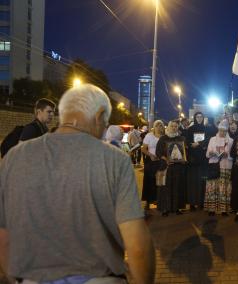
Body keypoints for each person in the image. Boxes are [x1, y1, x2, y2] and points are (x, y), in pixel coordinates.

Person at [0, 84, 155, 283]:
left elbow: (4, 236)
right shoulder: (114, 160)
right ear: (99, 116)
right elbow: (138, 247)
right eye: (105, 123)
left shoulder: (14, 156)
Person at [156, 120, 187, 216]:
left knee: (177, 187)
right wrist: (166, 159)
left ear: (178, 127)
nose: (174, 128)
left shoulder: (181, 138)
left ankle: (176, 208)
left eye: (176, 126)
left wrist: (184, 158)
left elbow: (184, 152)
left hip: (178, 167)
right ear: (168, 127)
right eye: (172, 126)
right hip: (166, 167)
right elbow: (158, 152)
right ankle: (165, 209)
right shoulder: (163, 138)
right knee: (166, 187)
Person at [204, 120, 234, 216]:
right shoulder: (212, 139)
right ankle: (212, 209)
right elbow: (207, 154)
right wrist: (211, 153)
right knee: (213, 187)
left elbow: (233, 155)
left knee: (224, 188)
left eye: (224, 131)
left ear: (227, 131)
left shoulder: (231, 141)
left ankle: (224, 210)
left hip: (226, 167)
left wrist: (227, 155)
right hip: (214, 166)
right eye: (221, 130)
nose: (222, 132)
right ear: (218, 130)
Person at [186, 112, 211, 210]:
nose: (199, 118)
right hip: (193, 160)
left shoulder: (206, 129)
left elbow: (209, 140)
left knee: (203, 181)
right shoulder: (190, 129)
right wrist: (192, 145)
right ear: (195, 118)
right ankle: (192, 203)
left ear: (203, 117)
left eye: (201, 116)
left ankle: (201, 202)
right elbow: (187, 142)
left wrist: (199, 143)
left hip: (203, 160)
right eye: (197, 117)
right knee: (193, 182)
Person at [141, 120, 165, 212]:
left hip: (161, 162)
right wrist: (150, 155)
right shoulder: (149, 136)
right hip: (151, 161)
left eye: (161, 126)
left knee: (159, 182)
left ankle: (158, 201)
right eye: (157, 125)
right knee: (149, 181)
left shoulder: (164, 137)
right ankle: (147, 201)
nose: (159, 127)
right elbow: (143, 149)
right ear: (154, 127)